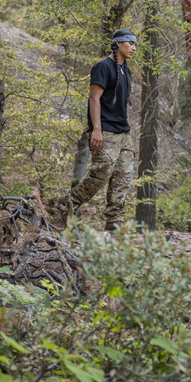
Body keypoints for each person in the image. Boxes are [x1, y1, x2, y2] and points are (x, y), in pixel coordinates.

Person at [57, 29, 136, 231]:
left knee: (123, 179)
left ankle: (114, 226)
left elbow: (125, 101)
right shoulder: (103, 67)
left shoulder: (126, 70)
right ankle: (66, 203)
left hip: (124, 134)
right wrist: (97, 130)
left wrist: (127, 123)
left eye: (135, 45)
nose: (133, 48)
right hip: (106, 131)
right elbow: (94, 98)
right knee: (102, 171)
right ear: (118, 44)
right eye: (130, 43)